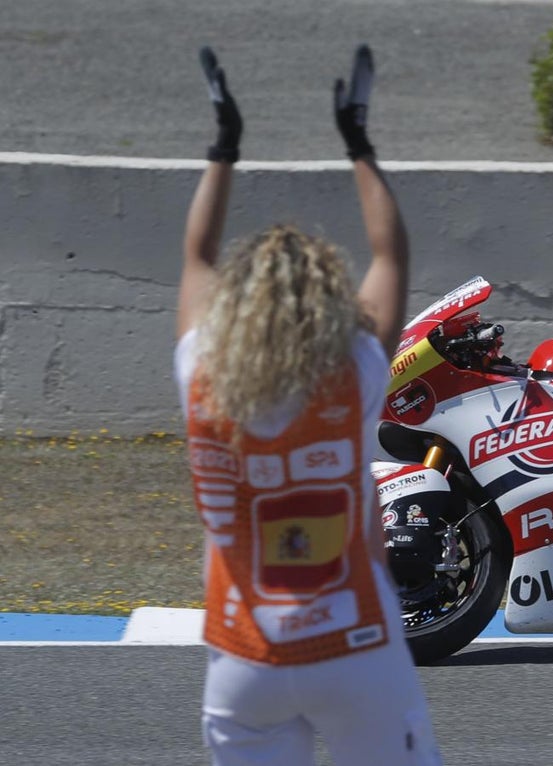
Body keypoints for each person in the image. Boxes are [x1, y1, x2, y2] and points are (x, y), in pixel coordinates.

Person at [176, 44, 441, 766]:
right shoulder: (353, 371)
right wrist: (358, 142)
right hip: (355, 647)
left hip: (244, 659)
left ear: (232, 306)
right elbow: (390, 256)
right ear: (327, 299)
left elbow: (196, 257)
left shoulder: (201, 373)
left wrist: (223, 146)